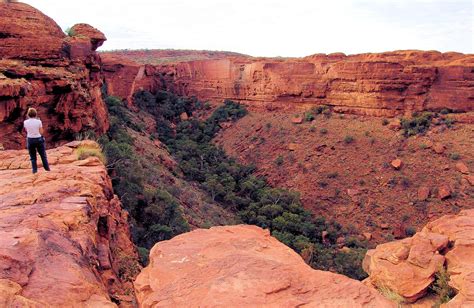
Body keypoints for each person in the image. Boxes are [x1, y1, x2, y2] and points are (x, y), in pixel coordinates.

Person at [24, 108, 50, 173]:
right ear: (35, 114)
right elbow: (41, 132)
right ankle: (47, 169)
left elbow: (26, 131)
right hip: (38, 139)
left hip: (30, 139)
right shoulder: (39, 121)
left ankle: (34, 171)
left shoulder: (25, 122)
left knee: (33, 157)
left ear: (28, 114)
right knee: (43, 156)